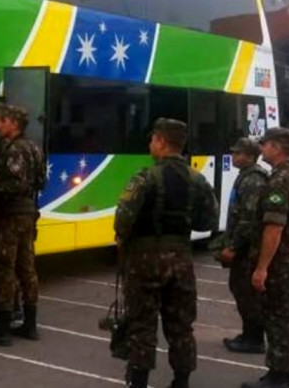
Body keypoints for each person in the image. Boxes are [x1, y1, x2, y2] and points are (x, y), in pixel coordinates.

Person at [115, 119, 219, 388]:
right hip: (181, 260)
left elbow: (123, 219)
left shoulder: (145, 177)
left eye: (152, 139)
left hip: (144, 261)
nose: (150, 144)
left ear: (161, 141)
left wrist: (125, 239)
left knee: (142, 324)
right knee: (181, 325)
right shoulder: (197, 179)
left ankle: (138, 382)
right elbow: (209, 221)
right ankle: (181, 381)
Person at [241, 128, 289, 388]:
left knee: (278, 317)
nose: (262, 149)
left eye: (265, 144)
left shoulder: (279, 181)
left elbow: (274, 228)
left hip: (281, 261)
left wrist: (262, 268)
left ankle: (278, 376)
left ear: (276, 147)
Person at [0, 105, 44, 346]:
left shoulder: (14, 149)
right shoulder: (34, 147)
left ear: (14, 124)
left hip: (11, 215)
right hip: (28, 213)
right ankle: (30, 324)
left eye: (4, 122)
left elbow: (14, 185)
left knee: (5, 268)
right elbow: (40, 181)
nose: (0, 125)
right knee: (27, 269)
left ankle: (2, 328)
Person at [214, 138, 269, 355]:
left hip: (248, 250)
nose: (234, 157)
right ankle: (248, 333)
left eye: (238, 153)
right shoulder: (245, 176)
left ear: (250, 156)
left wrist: (234, 247)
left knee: (247, 294)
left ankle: (254, 339)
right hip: (245, 248)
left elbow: (248, 220)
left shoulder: (254, 180)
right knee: (240, 290)